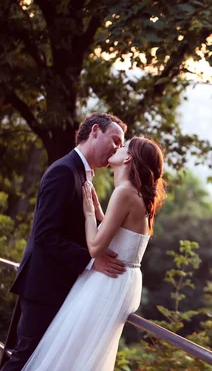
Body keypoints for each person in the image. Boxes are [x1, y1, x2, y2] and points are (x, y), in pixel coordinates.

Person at [22, 136, 166, 370]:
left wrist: (89, 214)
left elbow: (96, 248)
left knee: (72, 349)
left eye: (124, 146)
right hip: (123, 280)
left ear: (128, 158)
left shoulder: (124, 193)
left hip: (107, 281)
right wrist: (100, 212)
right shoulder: (138, 195)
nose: (119, 148)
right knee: (85, 351)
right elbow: (123, 233)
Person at [2, 113, 128, 371]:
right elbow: (45, 235)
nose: (118, 148)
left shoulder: (83, 175)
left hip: (59, 287)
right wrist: (93, 260)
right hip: (44, 287)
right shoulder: (63, 171)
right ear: (95, 131)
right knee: (24, 359)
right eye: (115, 140)